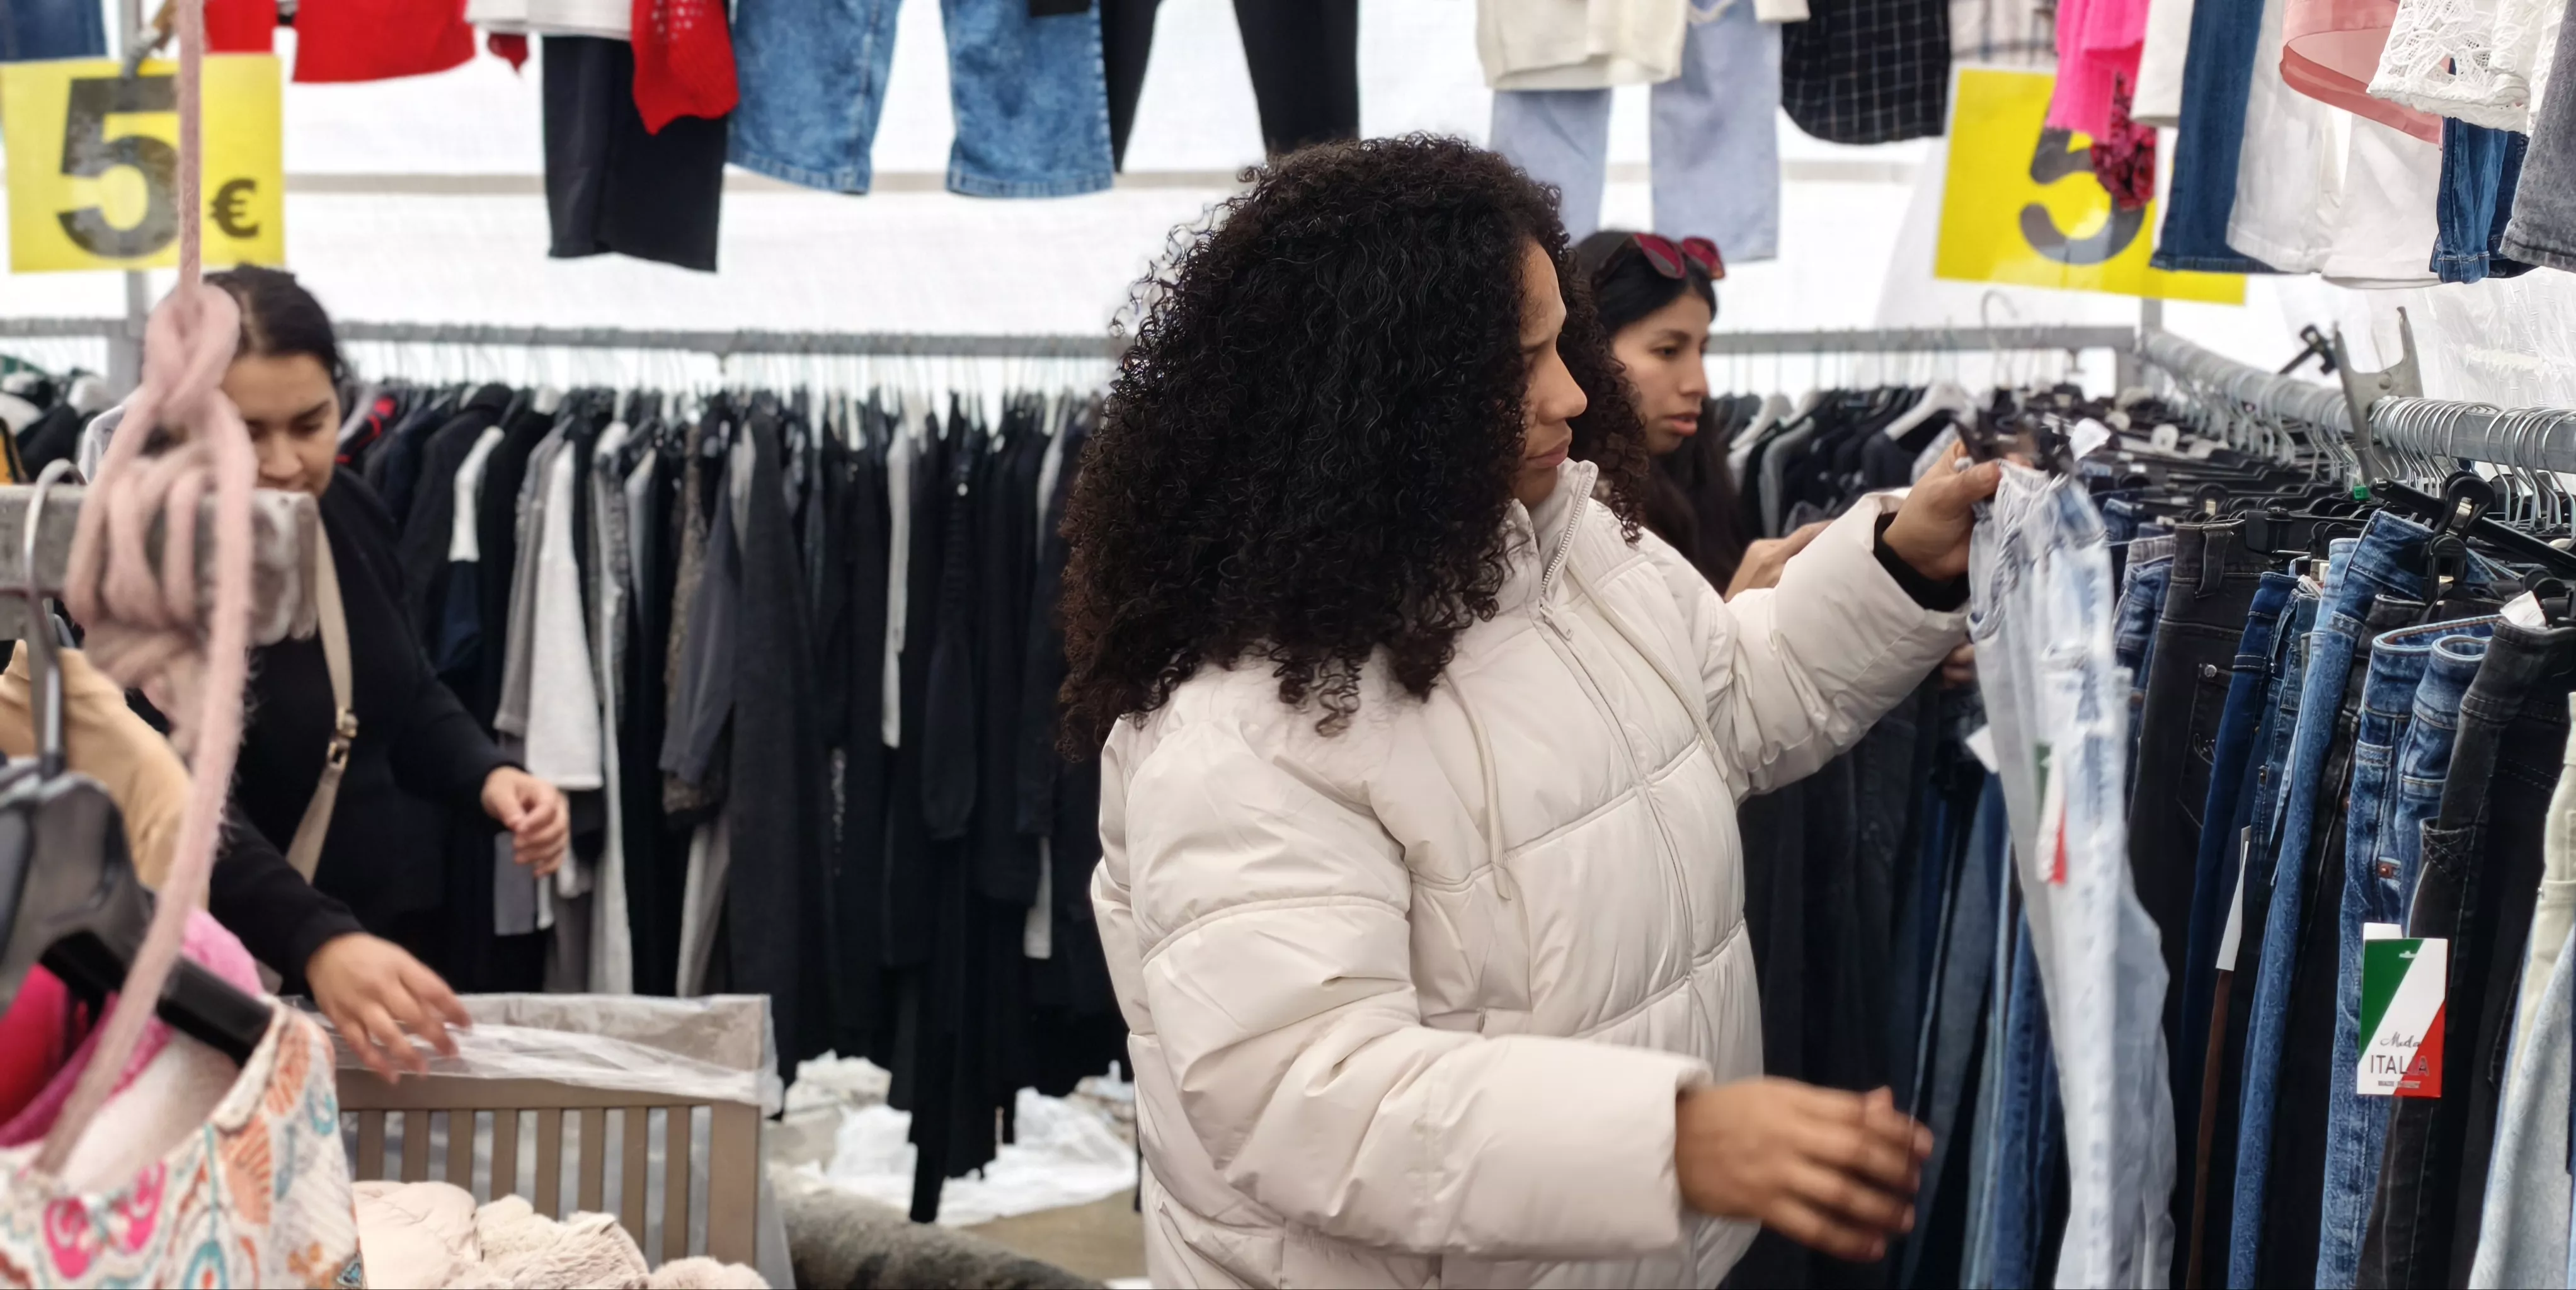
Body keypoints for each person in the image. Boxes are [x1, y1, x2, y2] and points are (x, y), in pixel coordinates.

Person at [1060, 137, 2001, 1288]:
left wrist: (1895, 566)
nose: (1566, 388)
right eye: (1517, 362)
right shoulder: (1239, 725)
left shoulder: (1568, 548)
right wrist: (1670, 1137)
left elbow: (1725, 704)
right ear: (1384, 396)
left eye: (1558, 339)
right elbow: (1302, 1092)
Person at [172, 266, 568, 1068]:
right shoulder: (144, 564)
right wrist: (315, 936)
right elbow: (170, 794)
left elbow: (402, 686)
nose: (285, 462)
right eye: (246, 432)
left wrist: (489, 776)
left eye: (311, 422)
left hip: (373, 956)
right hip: (224, 991)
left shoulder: (346, 511)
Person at [1572, 227, 1828, 598]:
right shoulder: (1572, 517)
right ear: (1588, 352)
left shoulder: (1692, 483)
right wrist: (1739, 608)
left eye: (1702, 351)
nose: (1699, 385)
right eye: (1668, 351)